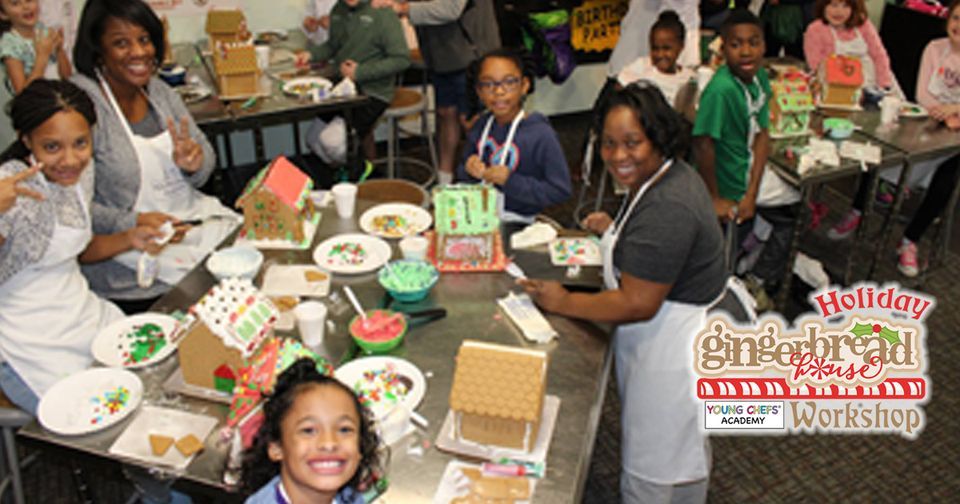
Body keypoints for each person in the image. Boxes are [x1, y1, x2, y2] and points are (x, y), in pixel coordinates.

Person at [519, 83, 726, 503]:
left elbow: (637, 302)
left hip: (673, 353)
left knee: (655, 463)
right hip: (667, 334)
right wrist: (613, 228)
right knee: (682, 449)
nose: (618, 157)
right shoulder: (663, 176)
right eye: (609, 144)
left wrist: (563, 302)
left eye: (632, 143)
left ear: (658, 136)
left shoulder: (670, 206)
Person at [0, 79, 160, 414]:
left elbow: (77, 250)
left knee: (148, 379)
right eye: (52, 147)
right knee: (92, 413)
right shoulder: (10, 191)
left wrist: (128, 239)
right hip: (25, 339)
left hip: (80, 312)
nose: (70, 159)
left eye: (81, 143)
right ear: (26, 140)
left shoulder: (80, 174)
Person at [71, 0, 237, 313]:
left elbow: (205, 163)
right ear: (97, 51)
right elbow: (73, 206)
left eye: (144, 39)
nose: (139, 52)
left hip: (187, 228)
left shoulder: (159, 91)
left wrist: (195, 163)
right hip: (132, 267)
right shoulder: (84, 106)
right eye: (121, 43)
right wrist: (133, 222)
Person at [830, 0, 960, 277]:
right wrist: (941, 113)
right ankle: (857, 210)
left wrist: (955, 111)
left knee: (946, 180)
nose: (959, 26)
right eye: (956, 18)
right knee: (878, 146)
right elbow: (923, 94)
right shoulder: (934, 48)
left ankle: (910, 240)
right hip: (926, 121)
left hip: (955, 136)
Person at [693, 9, 799, 304]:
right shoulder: (721, 90)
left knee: (788, 203)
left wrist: (752, 193)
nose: (746, 51)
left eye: (753, 42)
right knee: (792, 219)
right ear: (723, 48)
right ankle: (755, 278)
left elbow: (763, 135)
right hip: (728, 181)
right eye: (736, 44)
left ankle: (750, 259)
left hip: (747, 171)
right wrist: (715, 197)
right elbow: (702, 145)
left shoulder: (760, 76)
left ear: (764, 45)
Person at [372, 0, 500, 186]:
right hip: (442, 55)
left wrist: (403, 8)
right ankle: (444, 181)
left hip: (470, 55)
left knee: (471, 120)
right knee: (445, 114)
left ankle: (489, 182)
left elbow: (452, 8)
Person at [241, 358, 385, 504]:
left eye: (344, 429)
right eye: (308, 431)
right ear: (277, 447)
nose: (329, 443)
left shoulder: (348, 497)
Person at [455, 48, 571, 223]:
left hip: (520, 220)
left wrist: (511, 181)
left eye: (509, 82)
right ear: (479, 91)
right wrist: (468, 169)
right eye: (488, 84)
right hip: (479, 212)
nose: (499, 91)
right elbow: (462, 172)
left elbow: (560, 190)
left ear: (524, 86)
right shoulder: (481, 126)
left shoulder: (541, 135)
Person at [307, 0, 410, 166]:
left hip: (373, 91)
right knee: (312, 139)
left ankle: (360, 172)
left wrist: (360, 72)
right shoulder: (338, 9)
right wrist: (310, 55)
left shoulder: (383, 13)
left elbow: (401, 59)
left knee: (332, 143)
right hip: (342, 88)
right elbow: (332, 46)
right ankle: (345, 172)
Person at [803, 0, 896, 97]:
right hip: (838, 87)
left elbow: (879, 55)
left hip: (874, 83)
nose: (839, 11)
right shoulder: (815, 30)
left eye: (846, 6)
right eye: (834, 5)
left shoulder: (863, 24)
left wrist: (883, 85)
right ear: (823, 6)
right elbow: (816, 66)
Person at [617, 10, 699, 117]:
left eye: (666, 48)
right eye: (655, 48)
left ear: (681, 46)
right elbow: (617, 92)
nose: (660, 55)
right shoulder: (641, 67)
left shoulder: (689, 78)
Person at [0, 0, 72, 93]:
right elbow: (22, 95)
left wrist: (60, 50)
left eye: (29, 0)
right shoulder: (9, 44)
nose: (25, 7)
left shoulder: (43, 29)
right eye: (15, 3)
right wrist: (42, 56)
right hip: (35, 105)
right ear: (3, 14)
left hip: (56, 96)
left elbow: (67, 78)